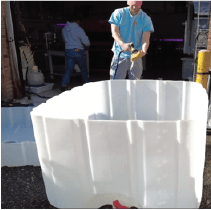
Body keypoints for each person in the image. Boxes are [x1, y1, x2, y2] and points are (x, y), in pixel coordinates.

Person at [108, 0, 154, 80]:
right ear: (128, 3)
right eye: (133, 5)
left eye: (137, 5)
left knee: (135, 84)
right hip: (120, 54)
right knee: (116, 83)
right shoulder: (119, 13)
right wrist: (123, 45)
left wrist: (143, 50)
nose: (135, 7)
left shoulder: (145, 18)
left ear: (141, 4)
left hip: (136, 55)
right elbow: (114, 33)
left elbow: (145, 38)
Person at [61, 14, 90, 91]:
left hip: (68, 50)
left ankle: (64, 84)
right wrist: (87, 45)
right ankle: (86, 84)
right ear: (77, 21)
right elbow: (86, 42)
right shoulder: (78, 29)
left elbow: (64, 40)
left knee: (68, 69)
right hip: (78, 51)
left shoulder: (64, 28)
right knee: (83, 69)